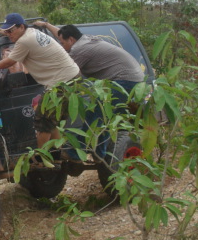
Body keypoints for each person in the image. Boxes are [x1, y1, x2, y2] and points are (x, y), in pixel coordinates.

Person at [35, 20, 146, 160]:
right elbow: (61, 34)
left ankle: (75, 153)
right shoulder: (83, 39)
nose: (62, 47)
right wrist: (46, 25)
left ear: (71, 40)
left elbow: (67, 73)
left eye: (62, 43)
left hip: (125, 80)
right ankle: (100, 154)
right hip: (131, 78)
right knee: (105, 117)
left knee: (95, 115)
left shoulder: (79, 50)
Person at [0, 13, 80, 147]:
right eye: (7, 31)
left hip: (62, 82)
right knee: (51, 122)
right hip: (70, 77)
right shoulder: (32, 32)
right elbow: (15, 38)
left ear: (21, 27)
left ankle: (42, 157)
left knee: (42, 123)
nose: (9, 34)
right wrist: (6, 32)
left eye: (11, 30)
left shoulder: (25, 41)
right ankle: (58, 152)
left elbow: (9, 62)